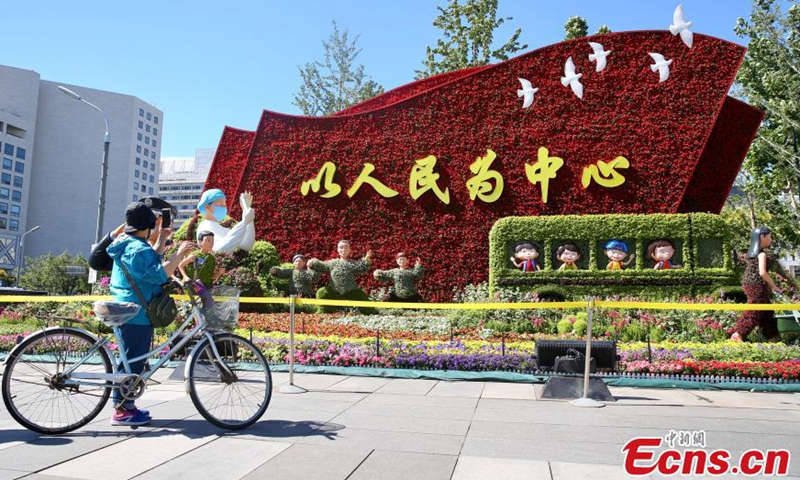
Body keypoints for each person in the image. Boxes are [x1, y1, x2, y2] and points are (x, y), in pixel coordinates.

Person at [106, 202, 193, 426]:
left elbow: (149, 260)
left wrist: (163, 239)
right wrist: (179, 257)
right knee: (133, 362)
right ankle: (122, 410)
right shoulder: (137, 248)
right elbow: (157, 274)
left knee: (130, 358)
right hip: (136, 311)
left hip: (128, 306)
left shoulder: (127, 242)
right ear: (146, 226)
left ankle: (127, 405)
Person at [732, 227, 781, 342]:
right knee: (755, 310)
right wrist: (774, 286)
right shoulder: (761, 254)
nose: (771, 239)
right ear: (762, 237)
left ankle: (772, 337)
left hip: (750, 284)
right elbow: (762, 272)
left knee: (767, 311)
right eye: (769, 236)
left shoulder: (751, 254)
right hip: (756, 285)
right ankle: (738, 333)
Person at [308, 240, 377, 314]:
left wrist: (366, 259)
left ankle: (373, 313)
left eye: (346, 247)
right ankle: (325, 312)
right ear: (337, 249)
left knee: (361, 298)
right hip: (334, 290)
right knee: (322, 293)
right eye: (341, 247)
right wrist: (313, 263)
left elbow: (360, 267)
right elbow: (322, 265)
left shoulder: (352, 263)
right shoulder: (333, 263)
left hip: (351, 290)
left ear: (350, 250)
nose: (343, 250)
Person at [195, 189, 256, 253]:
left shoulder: (221, 229)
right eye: (221, 205)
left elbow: (246, 245)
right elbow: (221, 249)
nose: (224, 208)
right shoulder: (205, 227)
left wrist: (246, 210)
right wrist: (244, 222)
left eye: (224, 205)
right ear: (207, 206)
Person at [178, 230, 224, 308]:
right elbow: (181, 265)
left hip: (205, 289)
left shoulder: (211, 259)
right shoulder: (194, 255)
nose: (211, 243)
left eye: (212, 241)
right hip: (192, 287)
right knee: (195, 308)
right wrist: (185, 277)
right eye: (208, 240)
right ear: (200, 242)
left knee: (204, 309)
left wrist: (219, 273)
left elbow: (211, 276)